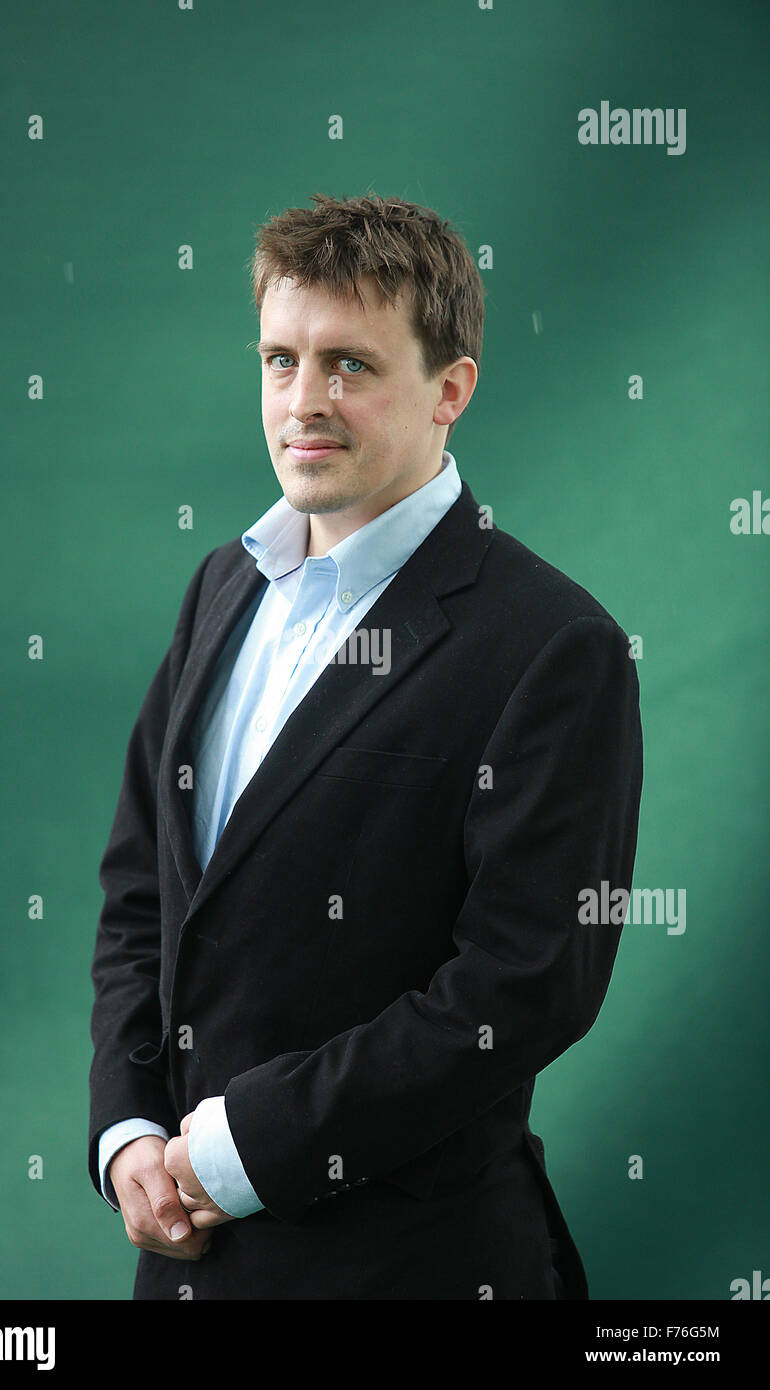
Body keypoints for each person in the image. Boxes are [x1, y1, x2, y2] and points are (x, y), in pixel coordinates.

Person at [88, 192, 643, 1300]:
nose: (303, 401)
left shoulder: (553, 645)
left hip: (416, 1270)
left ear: (450, 389)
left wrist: (241, 1149)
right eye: (278, 358)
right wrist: (130, 1131)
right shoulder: (222, 586)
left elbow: (526, 983)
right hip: (186, 1264)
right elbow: (142, 889)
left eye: (347, 364)